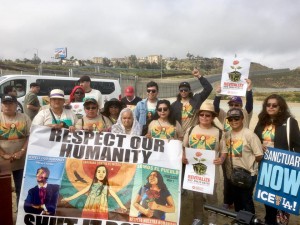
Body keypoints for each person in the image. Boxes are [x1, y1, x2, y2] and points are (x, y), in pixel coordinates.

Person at [254, 94, 300, 225]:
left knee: (281, 197)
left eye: (274, 105)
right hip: (265, 165)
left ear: (281, 108)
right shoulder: (262, 121)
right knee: (267, 195)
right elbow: (254, 138)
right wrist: (259, 145)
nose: (271, 107)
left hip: (283, 166)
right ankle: (269, 219)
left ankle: (280, 222)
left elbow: (297, 145)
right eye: (268, 105)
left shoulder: (290, 122)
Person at [182, 102, 225, 224]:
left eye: (208, 115)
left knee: (211, 196)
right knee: (197, 196)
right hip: (194, 172)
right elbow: (184, 146)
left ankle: (212, 219)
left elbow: (224, 151)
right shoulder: (191, 130)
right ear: (199, 116)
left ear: (212, 117)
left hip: (211, 172)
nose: (204, 117)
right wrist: (183, 157)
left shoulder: (218, 132)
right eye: (202, 115)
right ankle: (198, 218)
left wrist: (221, 159)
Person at [223, 108, 263, 214]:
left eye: (236, 118)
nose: (233, 121)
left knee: (246, 201)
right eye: (230, 119)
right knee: (237, 201)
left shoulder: (250, 135)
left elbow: (259, 155)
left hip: (247, 173)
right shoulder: (226, 135)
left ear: (242, 119)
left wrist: (249, 164)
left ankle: (249, 221)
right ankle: (239, 220)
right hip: (232, 173)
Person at [61, 164, 127, 219]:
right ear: (95, 174)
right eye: (99, 172)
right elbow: (80, 193)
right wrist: (68, 199)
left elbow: (115, 197)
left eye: (103, 172)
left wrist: (122, 206)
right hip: (89, 209)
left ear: (106, 174)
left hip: (101, 210)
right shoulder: (92, 185)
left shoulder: (107, 187)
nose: (101, 174)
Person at [0, 95, 31, 206]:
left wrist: (22, 151)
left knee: (21, 188)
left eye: (11, 103)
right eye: (5, 103)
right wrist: (3, 154)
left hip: (21, 161)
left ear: (16, 105)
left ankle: (19, 215)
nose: (8, 106)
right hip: (2, 162)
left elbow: (30, 136)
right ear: (1, 105)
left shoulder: (24, 117)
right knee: (3, 190)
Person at [171, 68, 213, 134]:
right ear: (179, 92)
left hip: (194, 133)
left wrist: (199, 76)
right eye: (181, 90)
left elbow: (208, 88)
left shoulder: (197, 99)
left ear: (189, 90)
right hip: (180, 135)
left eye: (185, 90)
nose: (183, 91)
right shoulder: (174, 105)